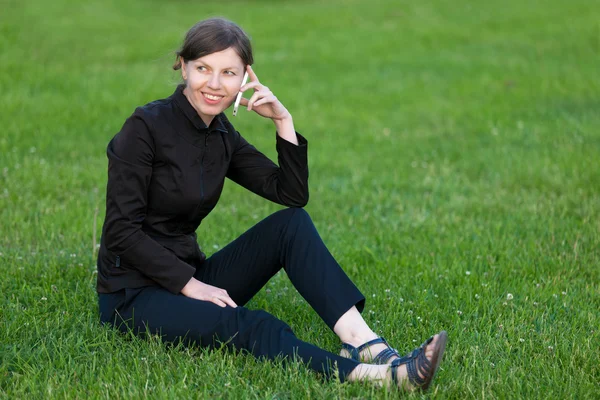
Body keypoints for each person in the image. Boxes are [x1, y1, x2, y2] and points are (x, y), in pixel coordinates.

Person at [96, 17, 448, 391]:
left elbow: (291, 195)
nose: (214, 85)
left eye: (228, 72)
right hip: (134, 295)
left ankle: (362, 343)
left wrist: (283, 120)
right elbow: (121, 232)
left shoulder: (220, 133)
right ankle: (382, 377)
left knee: (291, 224)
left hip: (192, 279)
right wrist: (189, 285)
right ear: (183, 66)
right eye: (203, 69)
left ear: (245, 77)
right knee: (252, 325)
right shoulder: (144, 128)